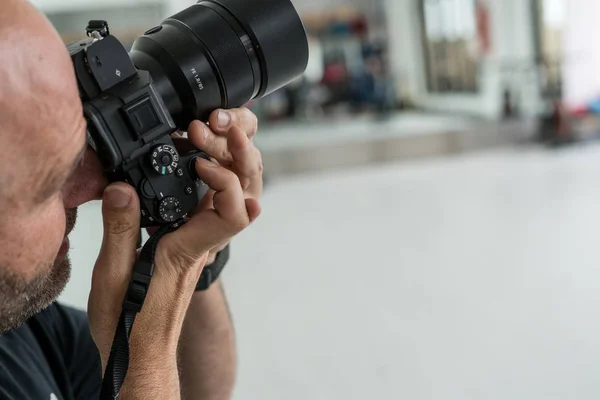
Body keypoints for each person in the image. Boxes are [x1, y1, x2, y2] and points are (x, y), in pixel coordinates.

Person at [0, 1, 264, 399]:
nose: (91, 192)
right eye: (50, 185)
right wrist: (146, 364)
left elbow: (198, 393)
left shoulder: (23, 330)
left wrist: (193, 258)